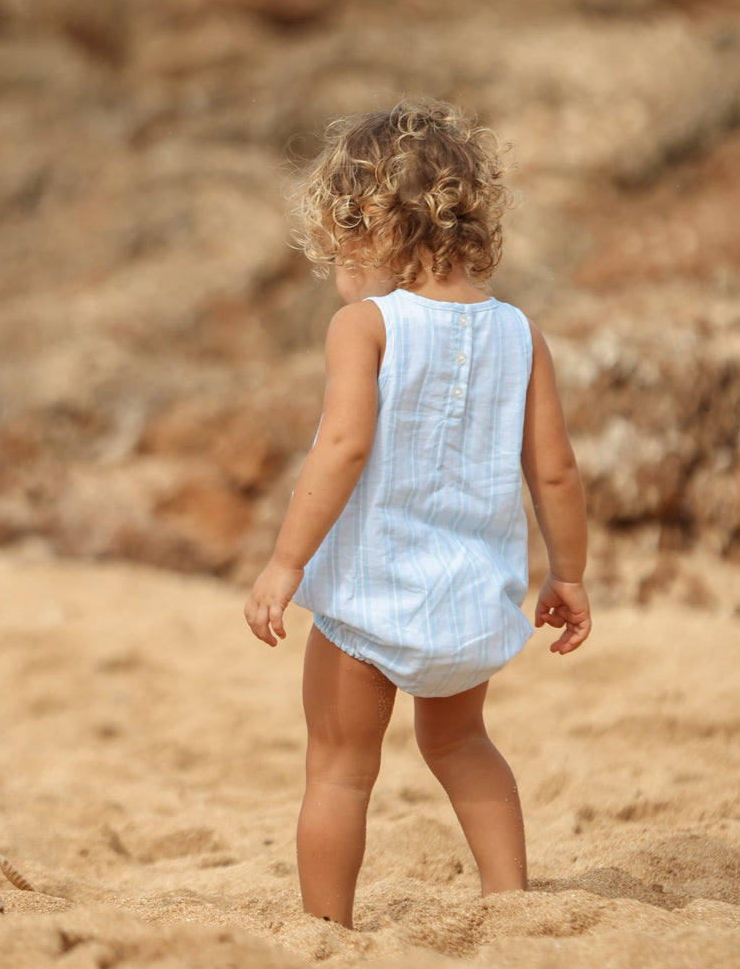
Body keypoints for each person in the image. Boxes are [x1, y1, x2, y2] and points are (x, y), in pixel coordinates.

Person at [244, 98, 591, 929]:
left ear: (374, 227)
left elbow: (341, 451)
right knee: (463, 746)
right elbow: (555, 469)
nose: (337, 271)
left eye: (339, 248)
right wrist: (569, 574)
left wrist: (286, 562)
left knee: (337, 769)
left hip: (371, 593)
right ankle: (509, 906)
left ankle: (325, 931)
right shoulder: (519, 333)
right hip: (472, 599)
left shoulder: (364, 327)